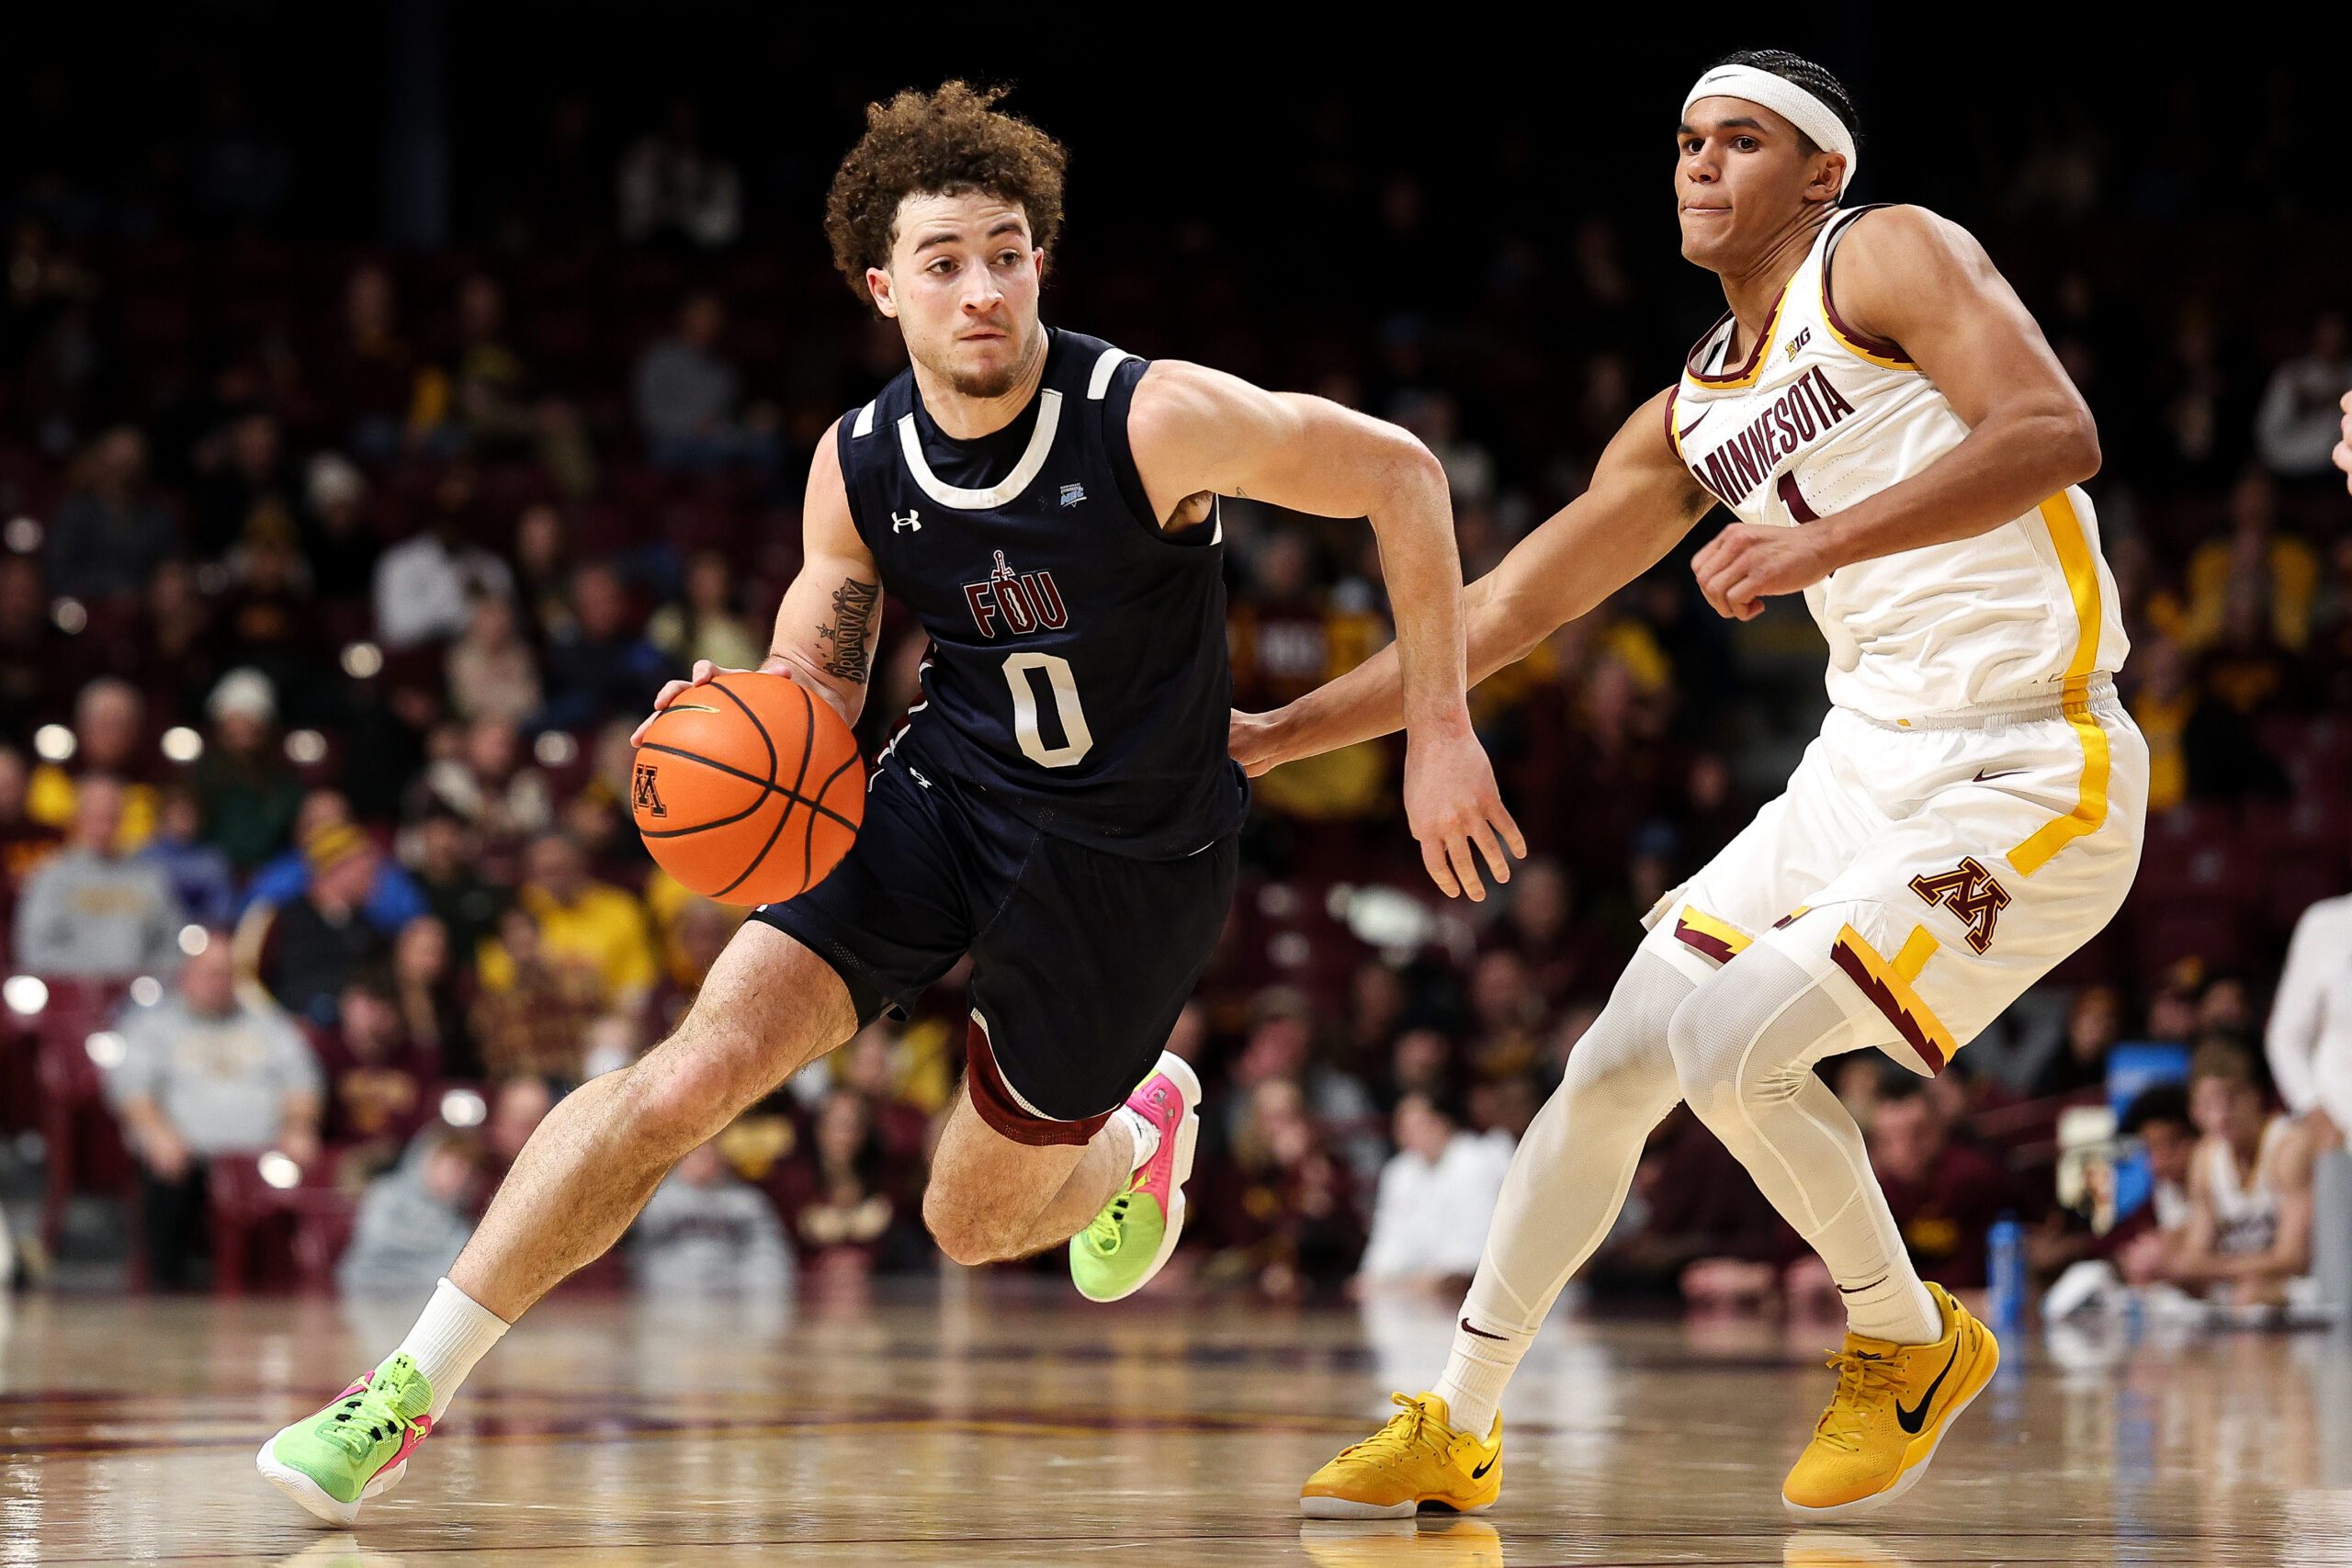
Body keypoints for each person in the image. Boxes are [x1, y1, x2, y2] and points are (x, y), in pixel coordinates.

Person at [260, 79, 1514, 1527]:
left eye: (1004, 251)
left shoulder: (1155, 418)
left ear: (1043, 256)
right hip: (948, 790)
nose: (980, 287)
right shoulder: (858, 465)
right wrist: (747, 722)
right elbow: (817, 669)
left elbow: (1404, 475)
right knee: (685, 1076)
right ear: (883, 287)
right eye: (943, 261)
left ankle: (1132, 1134)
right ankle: (401, 1391)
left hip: (1130, 853)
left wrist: (1439, 724)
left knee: (966, 1222)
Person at [1269, 51, 2145, 1521]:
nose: (1698, 164)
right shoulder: (1694, 409)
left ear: (1820, 173)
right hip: (1858, 765)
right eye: (1685, 140)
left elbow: (2055, 433)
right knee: (1618, 1060)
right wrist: (1271, 734)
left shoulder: (1888, 253)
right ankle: (1459, 1417)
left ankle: (1910, 1342)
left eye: (1740, 140)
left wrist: (1810, 546)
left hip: (2030, 756)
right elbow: (1497, 613)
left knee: (1739, 1041)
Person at [105, 934, 322, 1288]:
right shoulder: (152, 1026)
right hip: (187, 1155)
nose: (218, 982)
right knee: (164, 1174)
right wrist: (157, 1133)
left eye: (226, 973)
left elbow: (301, 1080)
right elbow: (133, 1090)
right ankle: (167, 1289)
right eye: (209, 973)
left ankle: (279, 1284)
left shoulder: (267, 1024)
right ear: (186, 974)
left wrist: (298, 1127)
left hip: (262, 1157)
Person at [2163, 1044, 2318, 1313]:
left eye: (2231, 1101)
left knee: (2251, 1295)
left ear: (2255, 1097)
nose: (2221, 1116)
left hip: (2308, 1289)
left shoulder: (2289, 1146)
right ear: (2195, 1112)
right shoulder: (2205, 1157)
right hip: (2241, 1289)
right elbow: (2195, 1254)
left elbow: (2294, 1258)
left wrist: (2212, 1267)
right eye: (2209, 1105)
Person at [13, 775, 185, 981]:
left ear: (123, 819)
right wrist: (92, 978)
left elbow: (171, 944)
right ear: (77, 818)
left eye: (111, 817)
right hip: (70, 996)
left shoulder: (149, 877)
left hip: (139, 998)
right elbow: (35, 949)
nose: (104, 828)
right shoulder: (51, 876)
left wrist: (141, 976)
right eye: (96, 817)